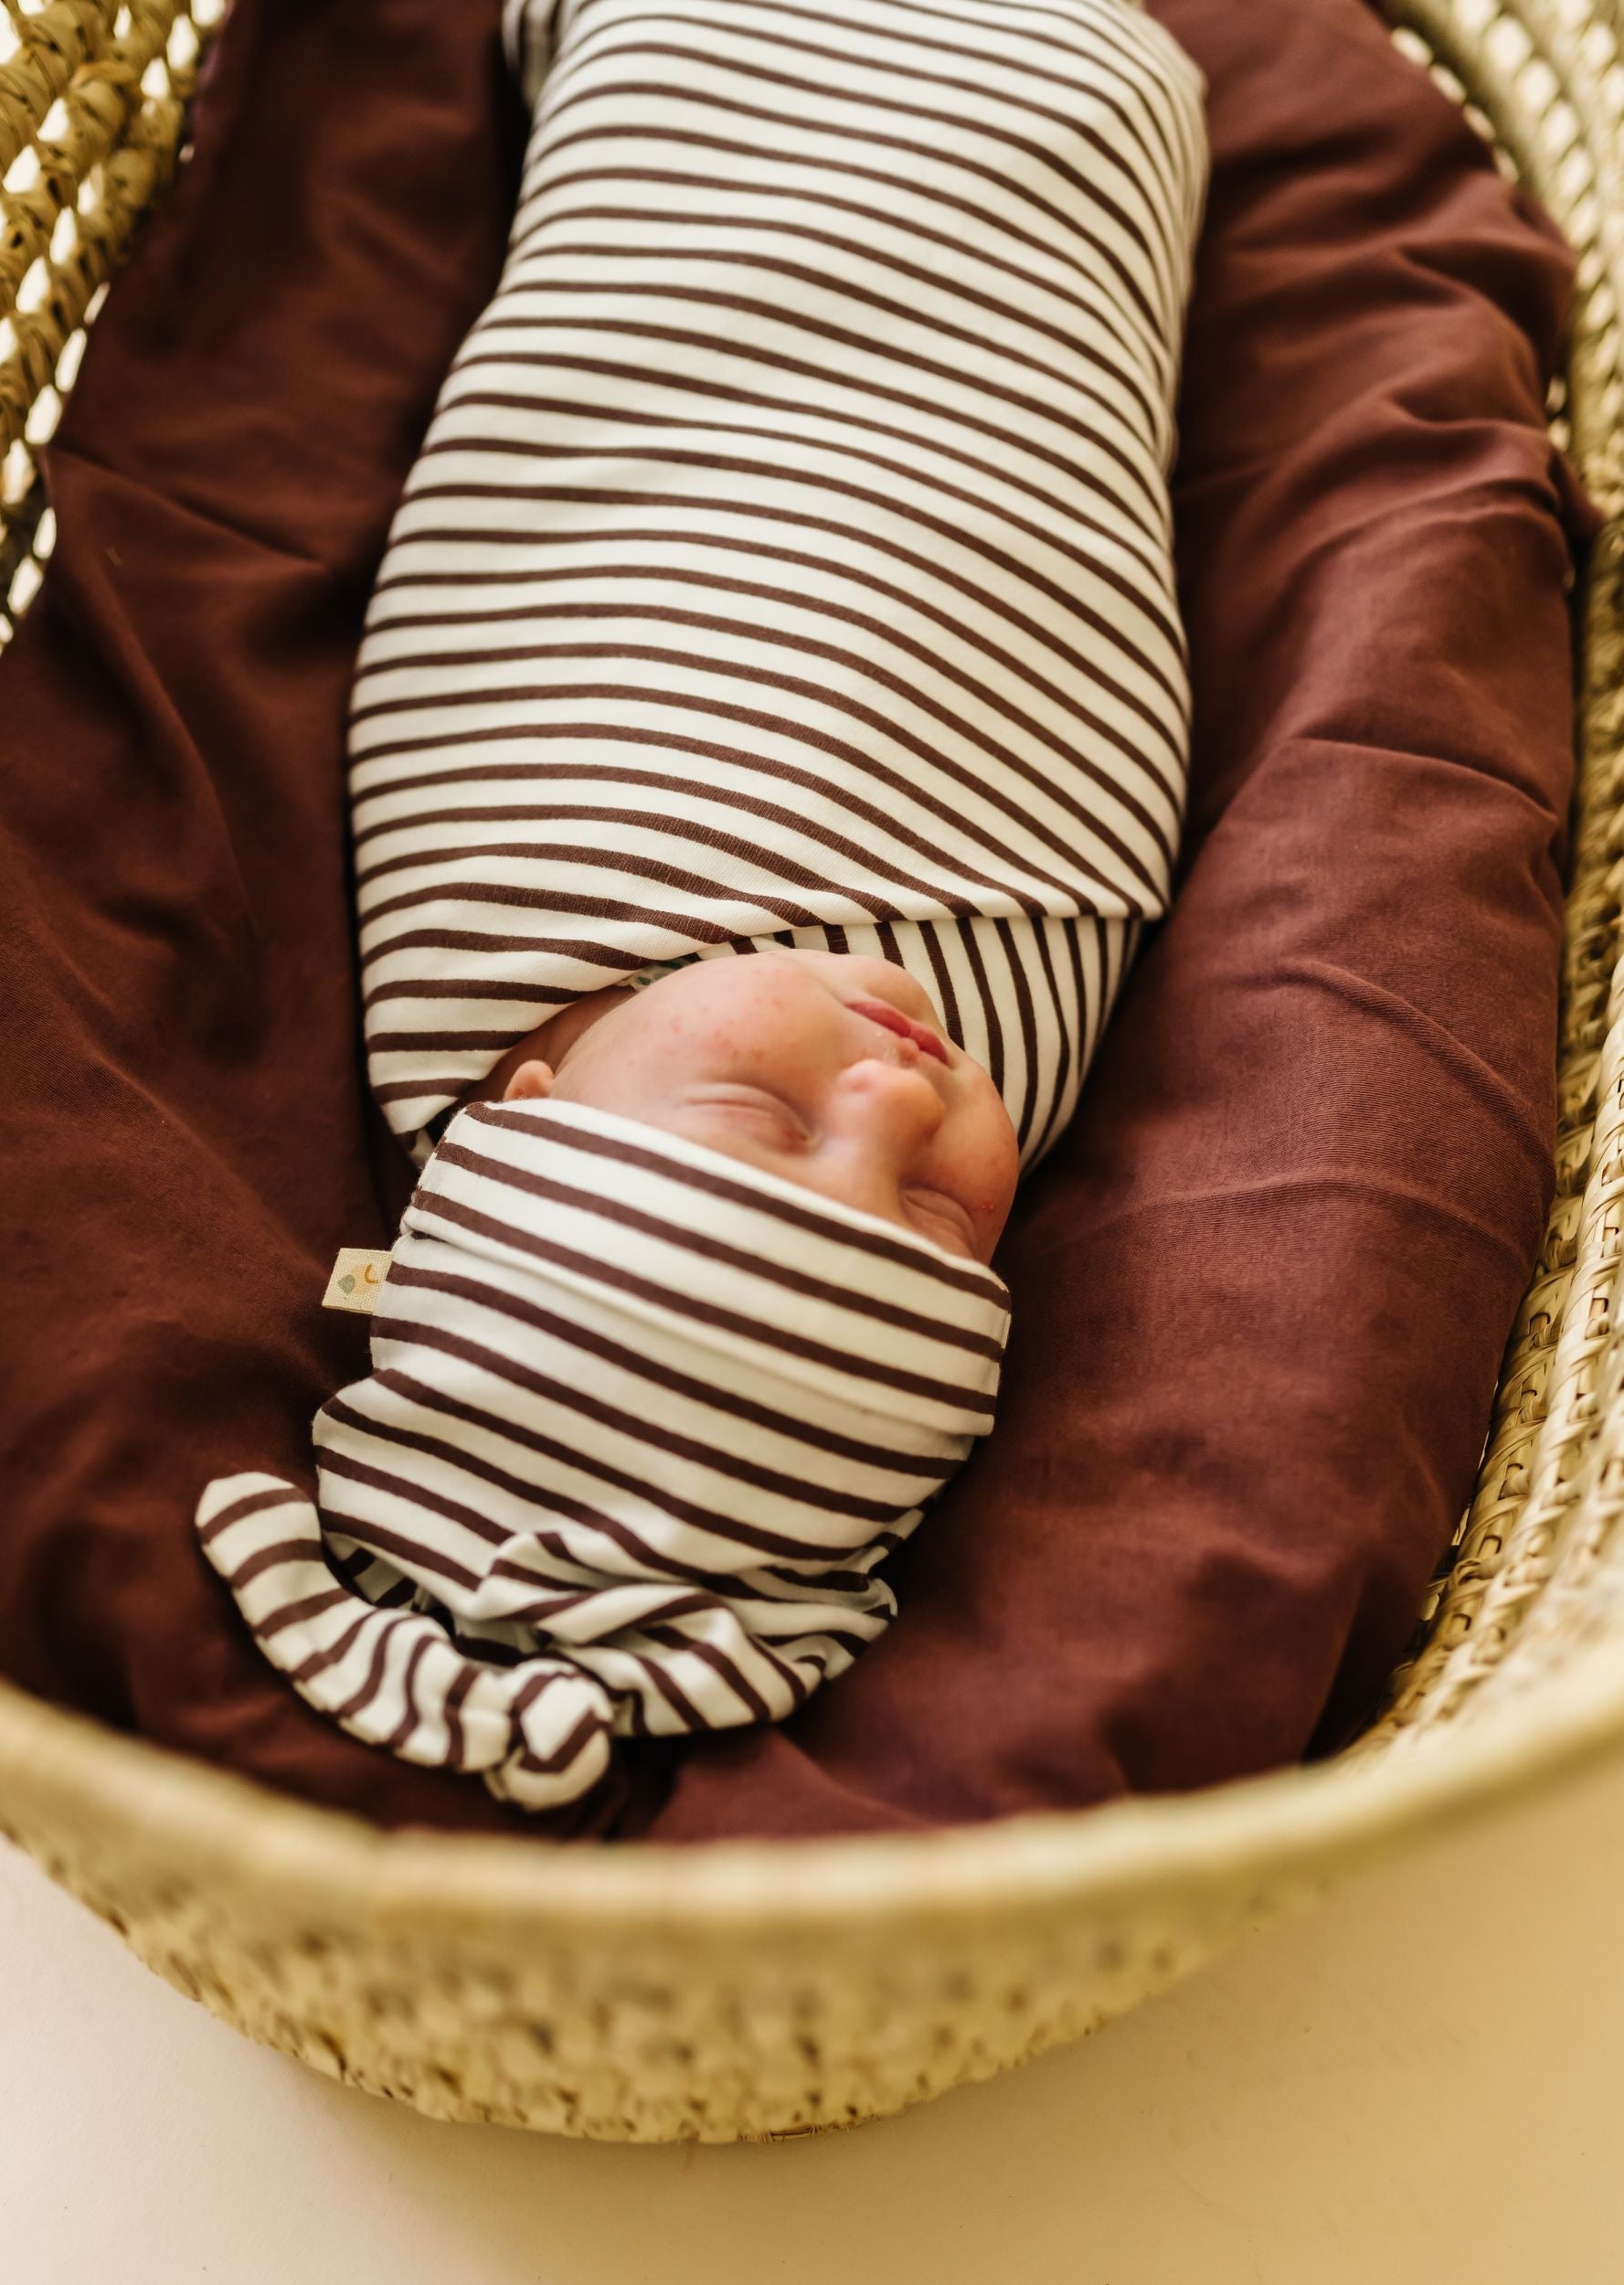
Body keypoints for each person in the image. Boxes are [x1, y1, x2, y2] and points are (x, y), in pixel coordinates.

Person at [196, 0, 1209, 1810]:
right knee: (1093, 92)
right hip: (1024, 288)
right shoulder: (1008, 1052)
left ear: (529, 1107)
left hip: (729, 302)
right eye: (936, 1219)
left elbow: (547, 524)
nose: (904, 1097)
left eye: (752, 1118)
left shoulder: (480, 942)